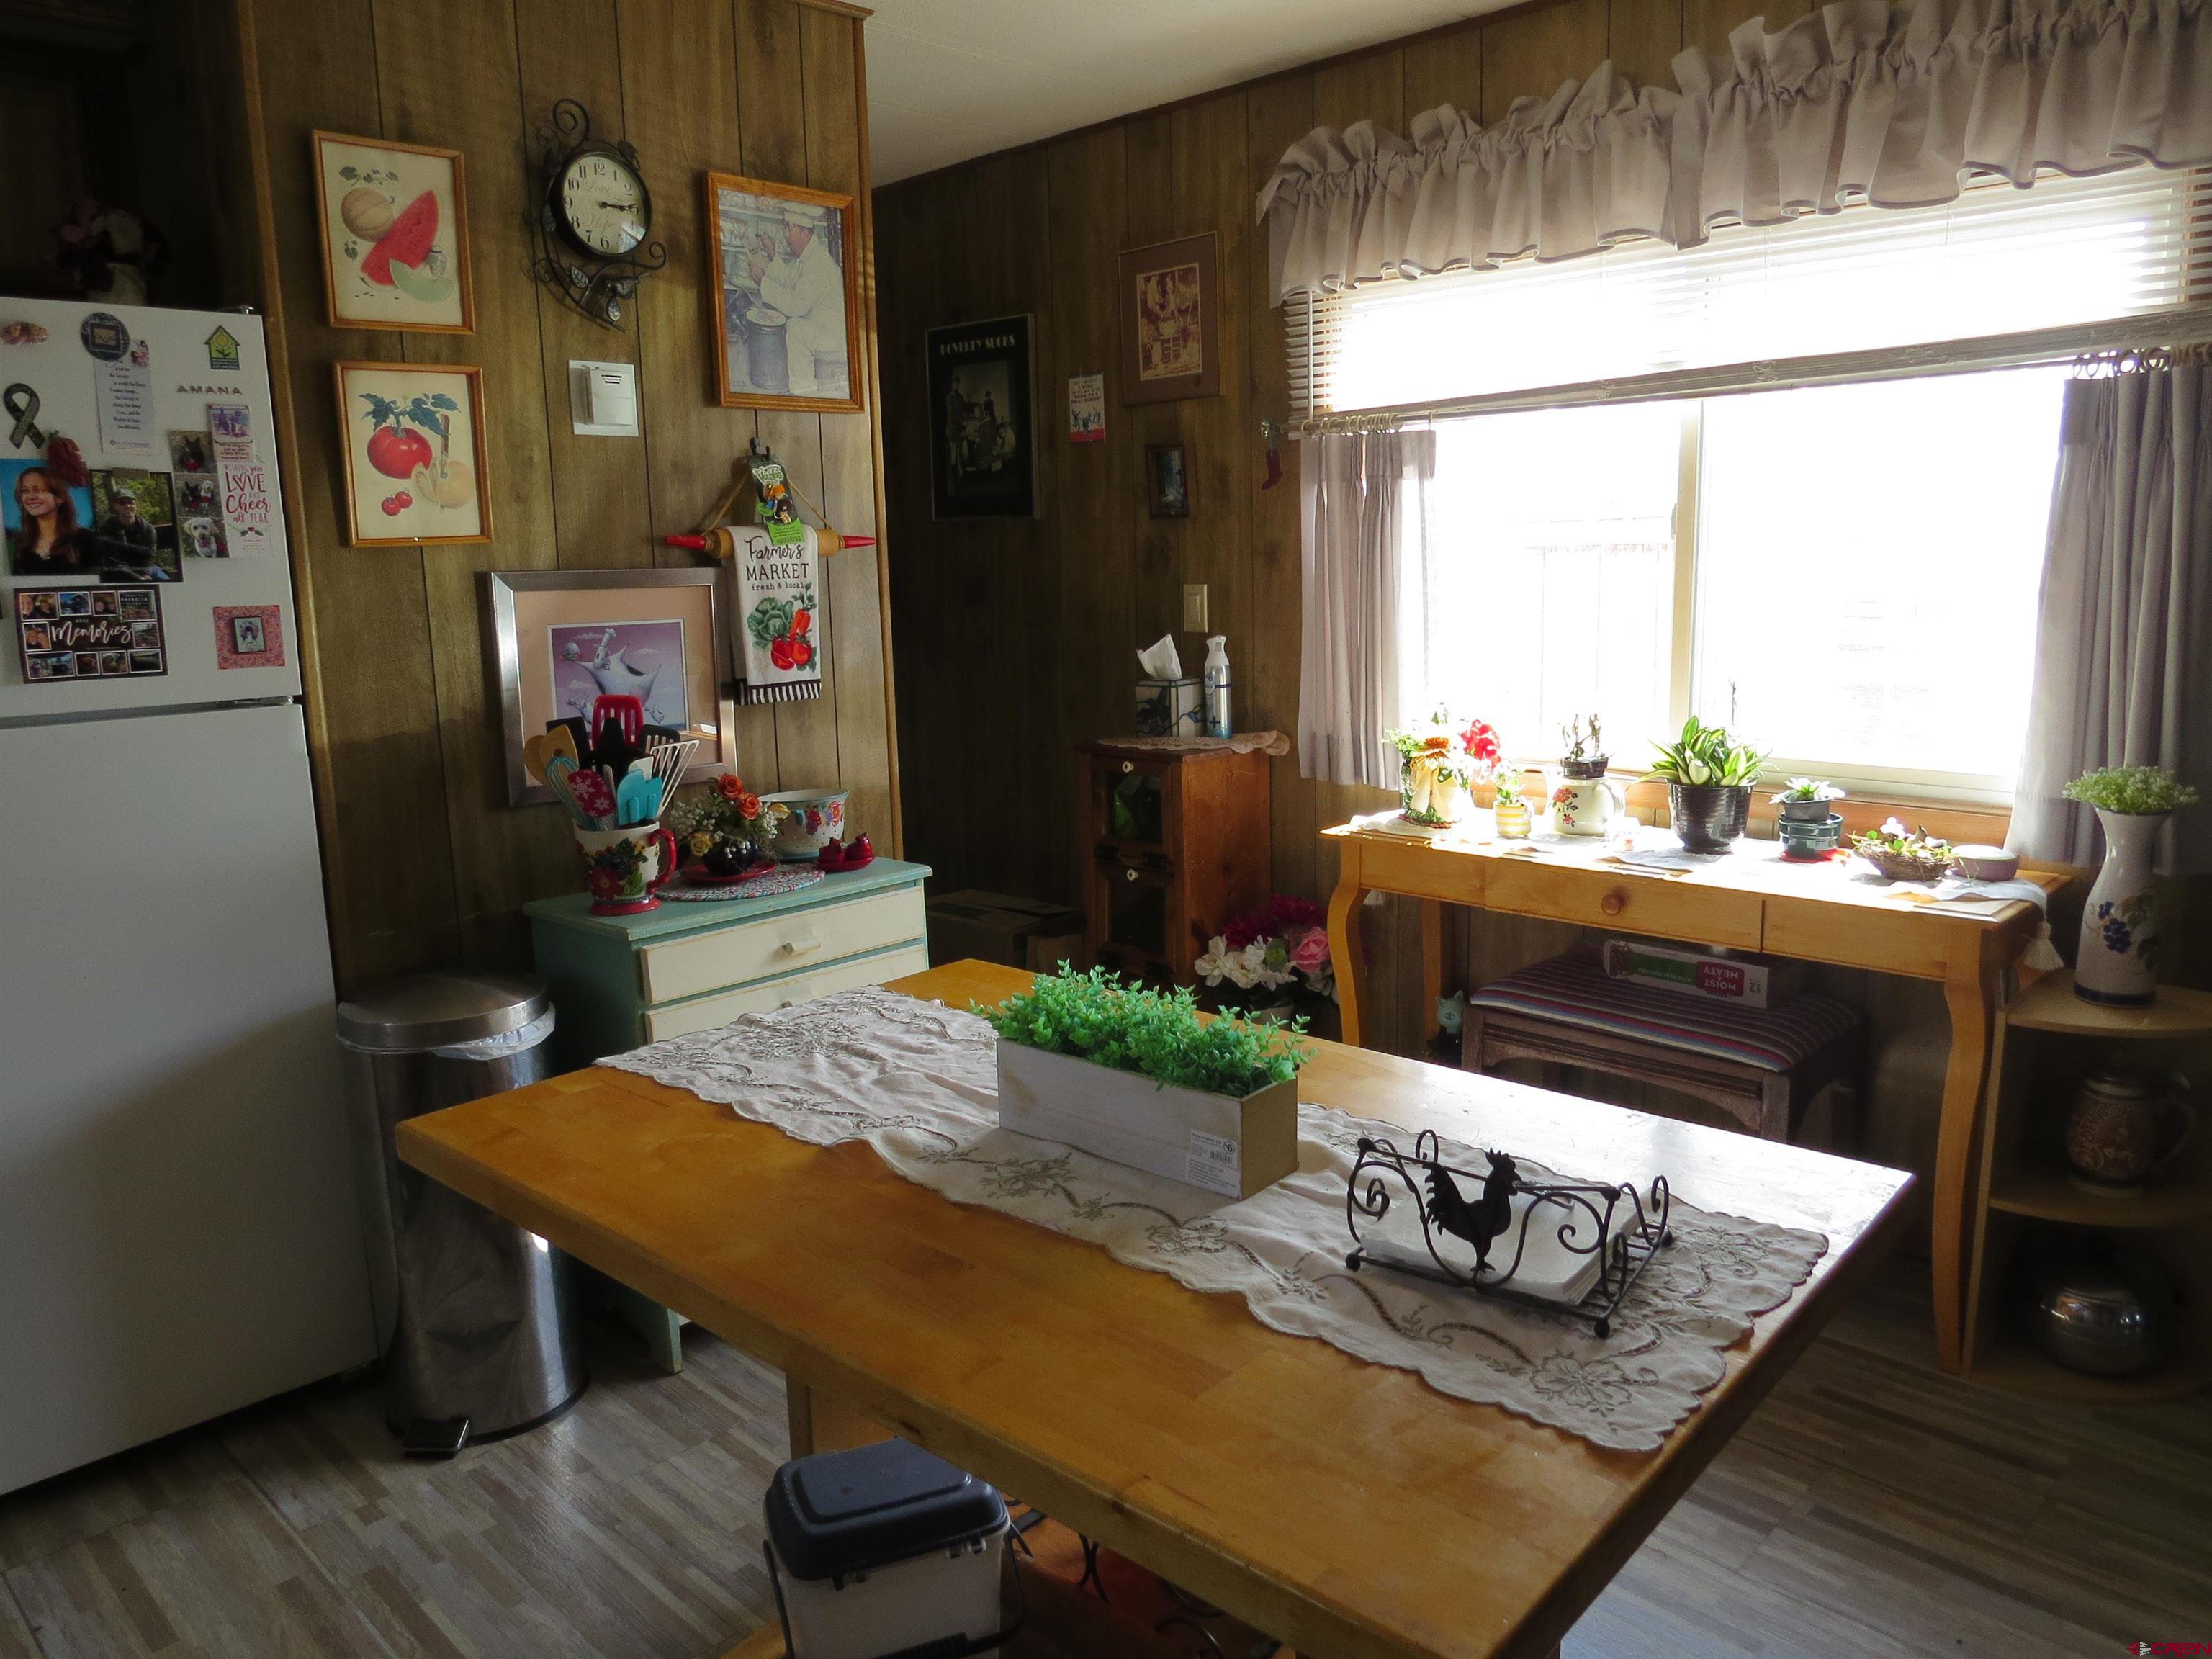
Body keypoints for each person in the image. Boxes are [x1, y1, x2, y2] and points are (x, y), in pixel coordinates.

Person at [750, 204, 847, 397]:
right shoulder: (808, 258)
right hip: (825, 332)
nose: (785, 235)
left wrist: (762, 282)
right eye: (785, 228)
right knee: (795, 325)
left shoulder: (819, 264)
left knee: (795, 327)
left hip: (835, 340)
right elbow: (789, 280)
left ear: (804, 233)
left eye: (789, 229)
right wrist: (772, 254)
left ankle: (804, 392)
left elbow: (795, 306)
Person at [7, 467, 88, 575]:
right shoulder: (20, 544)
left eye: (38, 490)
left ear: (59, 497)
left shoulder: (86, 539)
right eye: (25, 491)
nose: (30, 497)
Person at [91, 481, 164, 579]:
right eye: (122, 503)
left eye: (131, 503)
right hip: (117, 571)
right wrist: (137, 578)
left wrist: (146, 574)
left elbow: (149, 556)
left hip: (143, 568)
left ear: (136, 505)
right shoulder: (107, 529)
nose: (128, 506)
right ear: (116, 506)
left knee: (165, 579)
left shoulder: (148, 528)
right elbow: (113, 561)